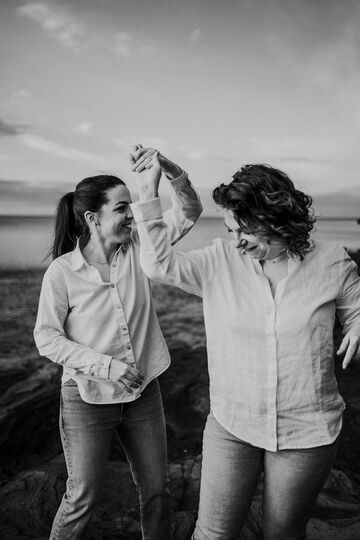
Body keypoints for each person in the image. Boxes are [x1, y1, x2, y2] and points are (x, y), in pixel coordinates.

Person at [130, 151, 360, 540]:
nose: (235, 242)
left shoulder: (332, 262)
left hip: (308, 430)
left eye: (245, 231)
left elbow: (355, 305)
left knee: (282, 534)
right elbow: (157, 266)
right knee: (213, 534)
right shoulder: (219, 260)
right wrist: (149, 191)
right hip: (232, 424)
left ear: (277, 220)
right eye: (230, 230)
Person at [33, 145, 202, 540]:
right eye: (122, 207)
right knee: (82, 497)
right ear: (93, 217)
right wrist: (106, 366)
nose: (132, 214)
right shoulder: (62, 272)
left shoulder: (143, 248)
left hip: (144, 393)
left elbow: (190, 212)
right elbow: (46, 337)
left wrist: (173, 172)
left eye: (131, 205)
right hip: (86, 397)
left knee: (156, 493)